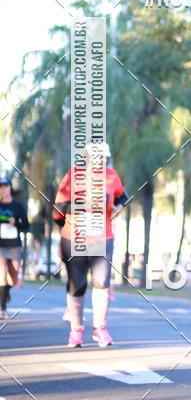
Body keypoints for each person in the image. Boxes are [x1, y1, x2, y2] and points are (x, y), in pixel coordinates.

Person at [53, 143, 128, 348]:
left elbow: (122, 196)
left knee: (102, 282)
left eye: (104, 157)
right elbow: (59, 207)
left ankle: (100, 328)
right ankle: (76, 331)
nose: (101, 161)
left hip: (103, 237)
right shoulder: (72, 175)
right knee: (77, 285)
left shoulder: (111, 176)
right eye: (97, 157)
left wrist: (120, 207)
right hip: (74, 238)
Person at [0, 177, 29, 319]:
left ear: (10, 188)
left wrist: (16, 222)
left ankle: (5, 292)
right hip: (0, 246)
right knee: (2, 275)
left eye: (5, 186)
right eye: (0, 187)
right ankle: (2, 308)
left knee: (12, 280)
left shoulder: (18, 206)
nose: (2, 189)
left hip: (14, 246)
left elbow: (26, 226)